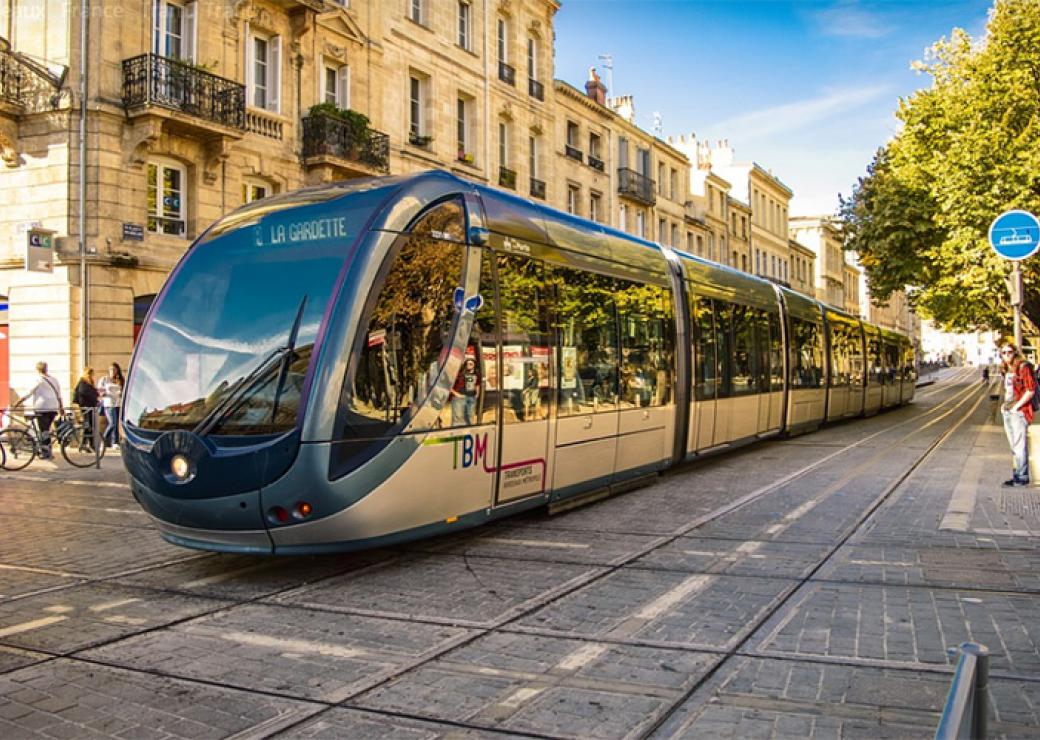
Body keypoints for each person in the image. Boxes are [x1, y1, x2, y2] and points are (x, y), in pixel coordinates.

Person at [999, 343, 1035, 486]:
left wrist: (1017, 407)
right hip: (1007, 411)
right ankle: (1017, 475)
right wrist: (1004, 407)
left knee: (1020, 446)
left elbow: (1030, 390)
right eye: (1004, 352)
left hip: (1019, 412)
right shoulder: (1005, 368)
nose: (1007, 355)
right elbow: (1008, 391)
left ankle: (1022, 477)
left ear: (1015, 352)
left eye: (1009, 352)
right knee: (1014, 446)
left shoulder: (1023, 367)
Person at [14, 361, 63, 459]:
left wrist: (17, 402)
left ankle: (46, 453)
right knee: (46, 430)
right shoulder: (54, 379)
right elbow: (59, 395)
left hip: (42, 407)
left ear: (37, 369)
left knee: (44, 430)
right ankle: (46, 451)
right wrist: (61, 407)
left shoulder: (38, 380)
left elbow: (29, 392)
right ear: (46, 368)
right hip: (53, 407)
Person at [98, 362, 125, 448]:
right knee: (112, 423)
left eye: (114, 369)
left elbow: (123, 391)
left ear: (117, 371)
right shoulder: (104, 379)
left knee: (117, 424)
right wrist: (104, 394)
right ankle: (103, 440)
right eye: (111, 369)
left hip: (118, 404)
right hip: (109, 404)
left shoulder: (120, 380)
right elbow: (99, 391)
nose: (112, 371)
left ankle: (115, 442)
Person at [73, 366, 100, 452]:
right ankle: (85, 445)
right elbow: (83, 392)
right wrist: (94, 395)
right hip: (86, 407)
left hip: (91, 407)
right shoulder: (83, 382)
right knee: (88, 425)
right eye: (90, 374)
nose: (91, 375)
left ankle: (88, 445)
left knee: (90, 426)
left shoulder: (89, 382)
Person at [450, 357, 480, 426]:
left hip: (471, 398)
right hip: (459, 398)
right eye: (467, 363)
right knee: (458, 419)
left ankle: (468, 434)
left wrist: (477, 394)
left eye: (471, 364)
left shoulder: (476, 374)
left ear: (474, 365)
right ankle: (457, 434)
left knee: (470, 417)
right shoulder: (459, 374)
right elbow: (448, 384)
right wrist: (456, 394)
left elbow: (477, 384)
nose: (468, 365)